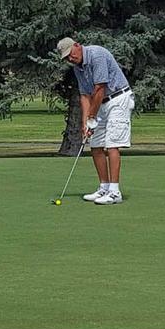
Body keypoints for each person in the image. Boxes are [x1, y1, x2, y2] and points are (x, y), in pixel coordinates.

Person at [57, 37, 134, 205]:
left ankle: (115, 192)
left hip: (118, 99)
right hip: (100, 104)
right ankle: (104, 187)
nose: (70, 58)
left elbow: (100, 88)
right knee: (95, 144)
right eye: (67, 58)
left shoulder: (97, 55)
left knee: (112, 144)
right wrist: (85, 123)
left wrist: (92, 117)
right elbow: (85, 95)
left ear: (77, 45)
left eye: (71, 54)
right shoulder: (78, 68)